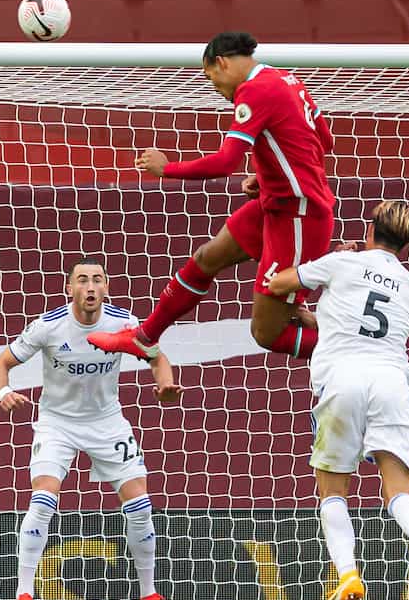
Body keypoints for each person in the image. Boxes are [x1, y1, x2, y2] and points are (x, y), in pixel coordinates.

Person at [90, 31, 335, 363]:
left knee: (267, 333)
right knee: (207, 258)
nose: (215, 88)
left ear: (221, 63)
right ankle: (144, 338)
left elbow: (225, 163)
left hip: (300, 217)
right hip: (277, 204)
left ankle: (363, 352)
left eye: (211, 78)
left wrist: (167, 168)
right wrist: (269, 176)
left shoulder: (254, 90)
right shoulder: (285, 78)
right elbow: (324, 139)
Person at [266, 201, 409, 600]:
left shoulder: (341, 263)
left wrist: (327, 261)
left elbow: (278, 283)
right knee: (399, 491)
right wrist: (318, 318)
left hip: (341, 379)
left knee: (332, 491)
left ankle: (347, 574)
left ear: (370, 230)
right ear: (405, 242)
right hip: (391, 382)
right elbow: (367, 324)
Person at [0, 256, 179, 600]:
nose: (90, 287)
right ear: (69, 288)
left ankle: (149, 596)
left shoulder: (124, 323)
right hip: (57, 423)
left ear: (106, 287)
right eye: (82, 280)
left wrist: (165, 384)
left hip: (107, 422)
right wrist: (4, 392)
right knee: (43, 499)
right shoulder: (48, 326)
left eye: (96, 280)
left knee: (140, 506)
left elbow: (157, 358)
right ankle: (24, 597)